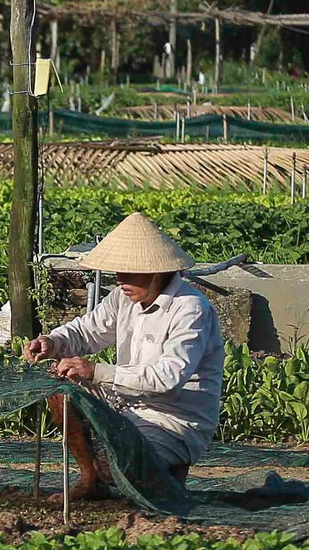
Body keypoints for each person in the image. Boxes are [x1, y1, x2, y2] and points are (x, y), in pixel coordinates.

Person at [23, 212, 224, 504]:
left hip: (172, 420)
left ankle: (163, 470)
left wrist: (95, 371)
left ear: (157, 271)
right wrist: (52, 343)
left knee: (119, 468)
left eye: (130, 272)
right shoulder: (123, 298)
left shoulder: (190, 309)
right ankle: (91, 479)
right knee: (62, 389)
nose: (121, 279)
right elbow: (86, 332)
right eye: (119, 272)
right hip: (127, 406)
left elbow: (168, 377)